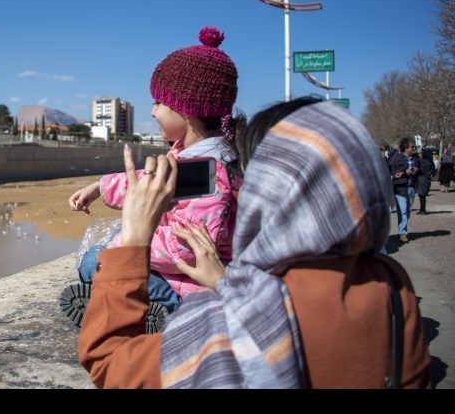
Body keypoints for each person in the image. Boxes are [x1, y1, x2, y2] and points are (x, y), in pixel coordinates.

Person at [78, 97, 431, 388]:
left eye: (245, 174)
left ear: (270, 188)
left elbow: (109, 362)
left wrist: (135, 237)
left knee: (95, 262)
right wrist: (226, 284)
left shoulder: (230, 326)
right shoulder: (393, 286)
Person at [60, 26, 244, 333]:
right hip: (177, 273)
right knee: (97, 259)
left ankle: (159, 311)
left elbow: (188, 250)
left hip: (191, 287)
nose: (154, 110)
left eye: (159, 103)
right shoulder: (193, 159)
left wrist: (127, 245)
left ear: (186, 112)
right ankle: (129, 301)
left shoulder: (213, 177)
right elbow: (145, 181)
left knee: (95, 262)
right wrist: (100, 187)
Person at [389, 138, 420, 243]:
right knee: (402, 211)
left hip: (411, 187)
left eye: (414, 146)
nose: (414, 148)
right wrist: (404, 172)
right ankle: (403, 233)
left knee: (408, 211)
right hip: (400, 188)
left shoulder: (416, 158)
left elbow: (422, 168)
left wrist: (417, 169)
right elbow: (392, 171)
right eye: (412, 146)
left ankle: (402, 230)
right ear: (405, 148)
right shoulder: (396, 158)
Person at [416, 148, 435, 214]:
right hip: (427, 179)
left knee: (421, 195)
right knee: (422, 195)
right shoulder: (431, 162)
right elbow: (434, 172)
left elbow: (420, 170)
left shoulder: (423, 161)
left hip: (422, 178)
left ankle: (422, 209)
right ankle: (422, 209)